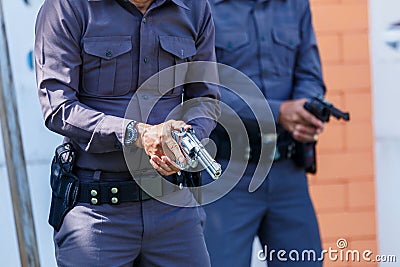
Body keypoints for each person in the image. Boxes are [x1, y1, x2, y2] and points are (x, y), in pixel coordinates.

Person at [34, 0, 219, 266]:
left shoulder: (195, 8)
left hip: (174, 207)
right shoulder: (67, 6)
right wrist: (137, 134)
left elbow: (204, 99)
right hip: (97, 211)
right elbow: (58, 108)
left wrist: (183, 146)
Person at [203, 0, 325, 266]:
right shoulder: (201, 7)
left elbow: (310, 74)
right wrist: (279, 112)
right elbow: (203, 92)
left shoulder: (296, 5)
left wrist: (308, 107)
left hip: (288, 175)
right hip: (225, 175)